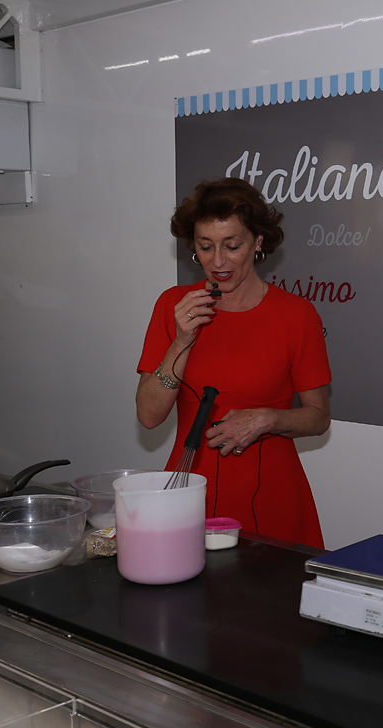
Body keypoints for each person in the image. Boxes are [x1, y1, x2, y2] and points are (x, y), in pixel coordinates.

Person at [136, 178, 332, 548]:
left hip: (273, 495)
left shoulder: (297, 315)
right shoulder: (174, 306)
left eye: (232, 245)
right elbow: (148, 416)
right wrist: (182, 340)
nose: (218, 261)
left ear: (258, 243)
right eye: (205, 247)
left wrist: (268, 419)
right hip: (192, 489)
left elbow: (319, 417)